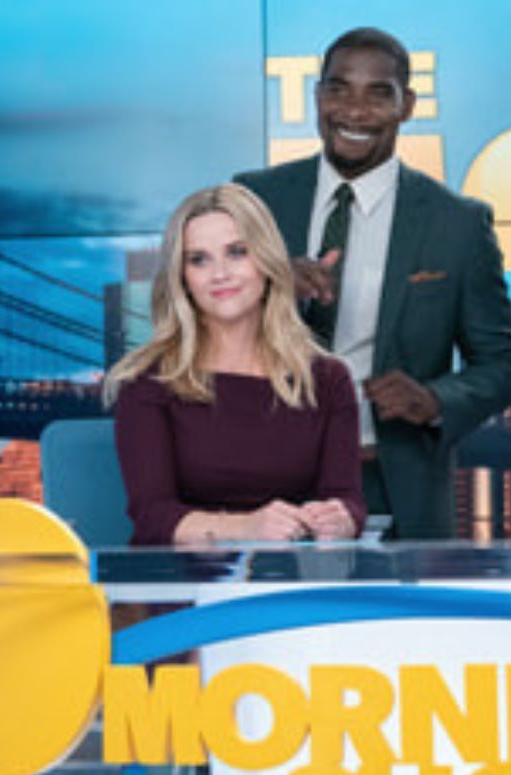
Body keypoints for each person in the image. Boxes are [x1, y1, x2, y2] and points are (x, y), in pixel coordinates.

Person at [235, 27, 511, 540]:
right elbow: (198, 335)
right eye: (338, 89)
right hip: (261, 487)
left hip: (392, 484)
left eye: (379, 93)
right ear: (317, 96)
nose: (354, 110)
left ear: (407, 105)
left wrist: (435, 400)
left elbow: (504, 365)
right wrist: (271, 290)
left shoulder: (456, 223)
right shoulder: (252, 201)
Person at [105, 183, 364, 545]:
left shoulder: (327, 379)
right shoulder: (148, 380)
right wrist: (246, 528)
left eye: (237, 252)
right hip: (183, 587)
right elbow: (153, 515)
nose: (219, 273)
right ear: (183, 277)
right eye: (199, 259)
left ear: (267, 260)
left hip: (289, 584)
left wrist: (341, 520)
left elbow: (347, 498)